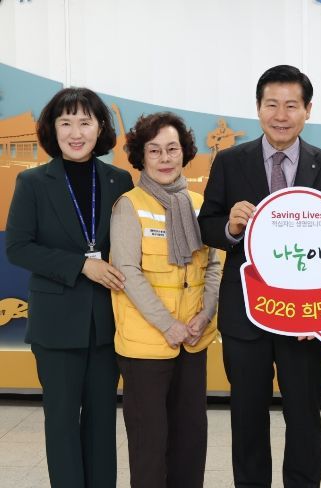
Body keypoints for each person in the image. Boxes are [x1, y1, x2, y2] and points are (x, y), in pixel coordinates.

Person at [198, 64, 321, 487]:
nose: (281, 115)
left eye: (291, 106)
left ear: (308, 110)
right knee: (247, 417)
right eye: (272, 105)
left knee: (304, 417)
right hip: (246, 313)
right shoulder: (230, 161)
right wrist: (230, 226)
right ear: (258, 108)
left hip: (306, 318)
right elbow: (207, 224)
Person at [5, 87, 134, 487]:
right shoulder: (32, 182)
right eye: (66, 123)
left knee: (102, 421)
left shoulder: (119, 180)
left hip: (107, 323)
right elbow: (18, 247)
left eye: (85, 122)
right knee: (61, 422)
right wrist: (81, 266)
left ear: (100, 128)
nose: (75, 133)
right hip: (56, 325)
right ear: (52, 129)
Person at [110, 112, 221, 487]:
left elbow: (214, 265)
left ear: (184, 152)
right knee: (150, 443)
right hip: (146, 344)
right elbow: (128, 272)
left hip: (192, 339)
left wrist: (205, 315)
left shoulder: (199, 203)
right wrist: (168, 325)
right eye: (154, 150)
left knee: (191, 439)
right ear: (141, 156)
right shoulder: (129, 205)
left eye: (172, 149)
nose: (164, 158)